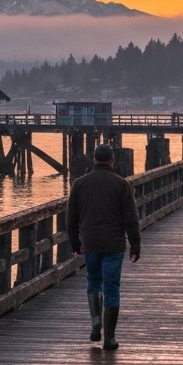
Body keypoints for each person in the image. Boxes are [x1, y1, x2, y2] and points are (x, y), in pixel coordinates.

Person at [67, 143, 141, 351]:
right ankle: (109, 338)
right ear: (112, 160)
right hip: (114, 244)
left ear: (94, 160)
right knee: (112, 287)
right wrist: (135, 245)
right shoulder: (121, 184)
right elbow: (131, 218)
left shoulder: (80, 184)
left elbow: (71, 219)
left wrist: (76, 243)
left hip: (90, 243)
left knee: (93, 281)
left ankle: (95, 321)